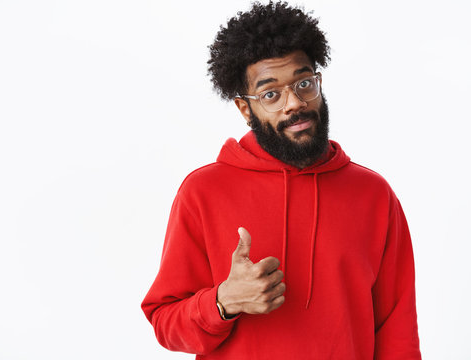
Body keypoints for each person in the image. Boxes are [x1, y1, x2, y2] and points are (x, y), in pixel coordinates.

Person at [141, 1, 421, 359]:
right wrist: (222, 302)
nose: (294, 103)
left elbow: (398, 334)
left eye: (304, 83)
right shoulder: (203, 192)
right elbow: (165, 322)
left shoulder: (374, 195)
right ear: (246, 109)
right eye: (271, 93)